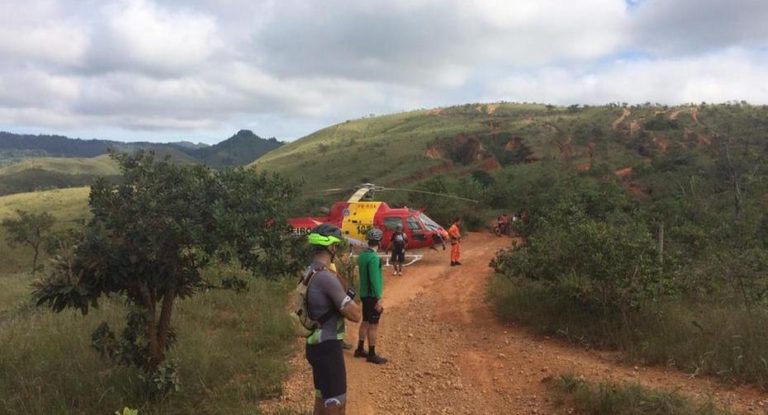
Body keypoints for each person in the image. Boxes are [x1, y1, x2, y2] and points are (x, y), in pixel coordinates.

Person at [305, 224, 362, 415]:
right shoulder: (326, 278)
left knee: (322, 400)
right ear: (331, 247)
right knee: (337, 405)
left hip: (314, 344)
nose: (337, 249)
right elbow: (355, 315)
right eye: (336, 245)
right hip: (328, 347)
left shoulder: (310, 271)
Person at [354, 228, 388, 364]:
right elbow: (374, 279)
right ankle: (372, 354)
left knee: (365, 321)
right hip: (372, 295)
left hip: (363, 294)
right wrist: (378, 298)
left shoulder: (362, 256)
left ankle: (360, 349)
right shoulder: (374, 258)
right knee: (373, 325)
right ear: (379, 242)